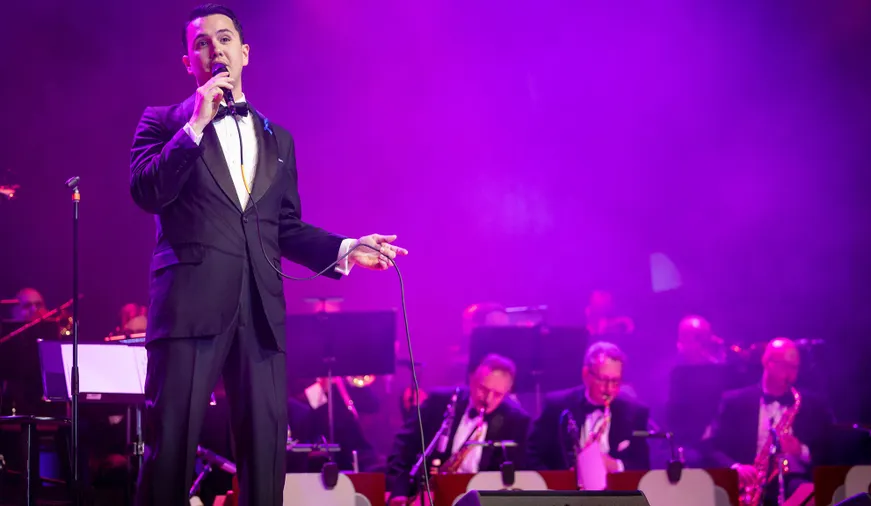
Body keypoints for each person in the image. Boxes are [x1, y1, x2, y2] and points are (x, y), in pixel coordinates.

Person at [128, 4, 408, 505]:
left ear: (245, 53)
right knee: (170, 448)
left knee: (265, 456)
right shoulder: (163, 122)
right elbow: (147, 191)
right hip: (190, 308)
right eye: (201, 43)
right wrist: (194, 126)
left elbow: (285, 227)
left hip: (260, 311)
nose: (215, 50)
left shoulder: (279, 139)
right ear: (189, 62)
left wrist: (347, 248)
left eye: (224, 39)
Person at [700, 338, 833, 506]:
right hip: (749, 485)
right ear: (767, 362)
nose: (791, 374)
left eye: (795, 368)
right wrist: (735, 467)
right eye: (785, 366)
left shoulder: (811, 404)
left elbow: (829, 452)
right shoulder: (734, 401)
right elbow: (709, 447)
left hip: (793, 483)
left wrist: (800, 451)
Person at [386, 354, 531, 505]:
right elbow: (404, 447)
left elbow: (520, 474)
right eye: (483, 389)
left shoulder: (516, 421)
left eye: (498, 395)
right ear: (471, 380)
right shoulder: (439, 402)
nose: (488, 399)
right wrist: (399, 491)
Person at [526, 341, 650, 486]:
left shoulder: (634, 412)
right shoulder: (557, 406)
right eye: (603, 380)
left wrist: (615, 465)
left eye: (615, 381)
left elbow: (643, 465)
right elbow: (531, 454)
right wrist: (558, 482)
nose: (609, 389)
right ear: (586, 375)